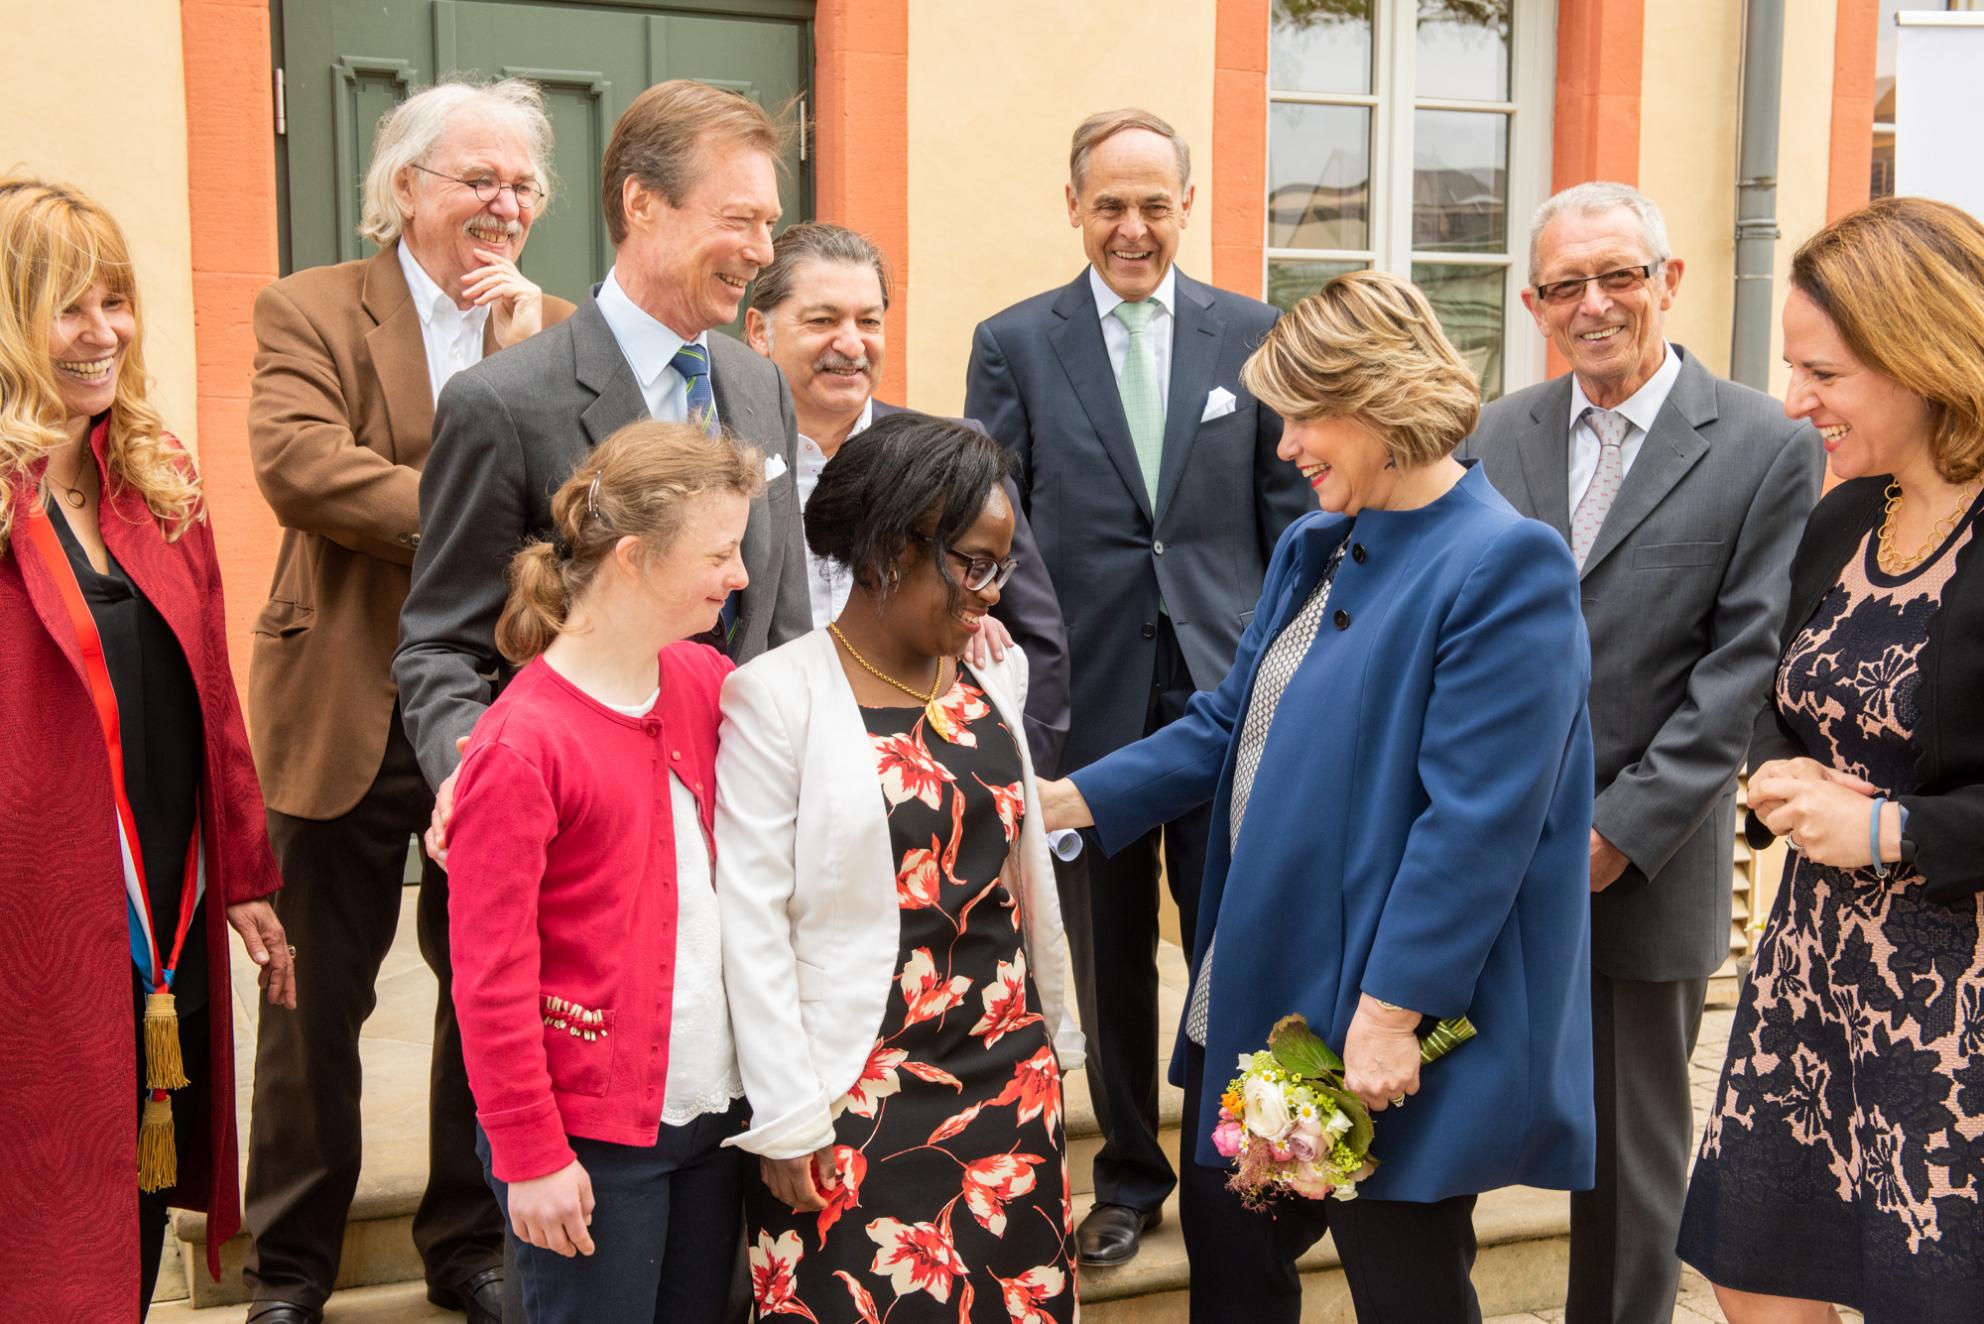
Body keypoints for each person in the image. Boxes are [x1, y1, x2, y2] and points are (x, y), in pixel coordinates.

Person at [1040, 271, 1597, 1323]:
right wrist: (1059, 801)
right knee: (1232, 1268)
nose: (1288, 442)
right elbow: (1225, 724)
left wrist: (1389, 1015)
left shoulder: (1506, 564)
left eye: (1306, 413)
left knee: (1404, 1284)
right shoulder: (1313, 544)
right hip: (1255, 989)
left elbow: (1475, 822)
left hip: (1374, 1015)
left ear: (1381, 400)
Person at [238, 79, 573, 1324]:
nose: (503, 204)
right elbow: (302, 468)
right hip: (341, 701)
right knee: (314, 1004)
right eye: (477, 179)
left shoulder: (557, 329)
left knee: (488, 985)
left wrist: (522, 368)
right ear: (406, 190)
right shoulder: (313, 306)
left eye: (522, 183)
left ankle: (466, 1241)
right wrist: (489, 498)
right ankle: (291, 1270)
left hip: (495, 707)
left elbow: (586, 506)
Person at [1461, 180, 1821, 1324]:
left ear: (1667, 281)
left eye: (1618, 275)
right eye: (1565, 285)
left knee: (1632, 1154)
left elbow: (1743, 667)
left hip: (1646, 861)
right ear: (1533, 303)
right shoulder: (1495, 433)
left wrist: (1618, 829)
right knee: (1453, 1113)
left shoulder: (1765, 444)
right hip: (1488, 854)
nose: (1594, 304)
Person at [963, 109, 1310, 1264]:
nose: (1131, 226)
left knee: (1233, 931)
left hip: (1229, 685)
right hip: (1086, 690)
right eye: (1109, 203)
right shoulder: (1014, 341)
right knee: (1106, 951)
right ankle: (1124, 1171)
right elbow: (991, 527)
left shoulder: (1253, 334)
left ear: (1185, 206)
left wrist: (1281, 667)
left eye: (1154, 203)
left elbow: (1293, 524)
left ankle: (1240, 1153)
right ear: (1073, 207)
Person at [1678, 195, 1984, 1324]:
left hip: (1954, 1003)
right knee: (1751, 1274)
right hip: (1809, 972)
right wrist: (1774, 774)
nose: (1796, 400)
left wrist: (1892, 829)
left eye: (1826, 373)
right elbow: (1777, 687)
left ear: (1923, 356)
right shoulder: (1849, 512)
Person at [0, 178, 296, 1320]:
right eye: (67, 307)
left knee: (122, 1188)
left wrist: (248, 870)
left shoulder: (151, 476)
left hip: (144, 924)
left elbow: (213, 690)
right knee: (40, 1193)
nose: (103, 334)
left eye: (116, 303)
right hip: (32, 923)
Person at [717, 414, 1084, 1322]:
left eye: (999, 567)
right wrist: (790, 1115)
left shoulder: (987, 685)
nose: (990, 594)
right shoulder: (776, 697)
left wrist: (1055, 1050)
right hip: (853, 1102)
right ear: (893, 542)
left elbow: (1020, 889)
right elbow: (751, 926)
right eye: (974, 563)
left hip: (1008, 1090)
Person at [396, 76, 809, 828]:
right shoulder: (502, 401)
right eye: (739, 219)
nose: (762, 251)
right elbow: (443, 647)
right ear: (641, 203)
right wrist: (480, 784)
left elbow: (784, 628)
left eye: (769, 223)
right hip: (576, 841)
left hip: (743, 834)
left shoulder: (760, 387)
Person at [447, 420, 760, 1322]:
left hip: (710, 1113)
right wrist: (529, 1151)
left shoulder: (702, 678)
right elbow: (490, 978)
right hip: (589, 1136)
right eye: (720, 553)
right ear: (633, 558)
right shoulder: (521, 744)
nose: (739, 576)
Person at [742, 220, 1071, 772]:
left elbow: (1039, 638)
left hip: (931, 781)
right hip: (764, 767)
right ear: (759, 330)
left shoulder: (952, 456)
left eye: (869, 321)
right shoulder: (723, 455)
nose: (852, 343)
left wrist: (1006, 779)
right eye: (823, 320)